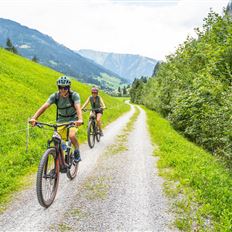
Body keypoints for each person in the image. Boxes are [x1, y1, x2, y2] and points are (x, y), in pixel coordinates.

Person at [29, 76, 83, 162]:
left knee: (71, 136)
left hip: (73, 120)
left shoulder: (74, 95)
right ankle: (60, 163)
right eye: (60, 87)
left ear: (68, 88)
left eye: (65, 88)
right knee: (57, 140)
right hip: (61, 121)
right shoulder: (55, 96)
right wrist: (34, 118)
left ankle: (77, 150)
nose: (63, 90)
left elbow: (78, 107)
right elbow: (44, 106)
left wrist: (80, 119)